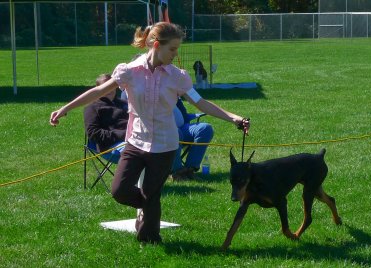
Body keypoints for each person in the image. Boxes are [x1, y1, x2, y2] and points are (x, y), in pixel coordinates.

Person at [49, 22, 250, 245]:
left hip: (165, 146)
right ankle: (148, 210)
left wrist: (234, 117)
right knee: (120, 191)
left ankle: (150, 240)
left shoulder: (178, 77)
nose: (176, 54)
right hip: (135, 142)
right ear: (156, 45)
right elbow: (98, 91)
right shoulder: (129, 71)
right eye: (172, 49)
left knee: (151, 194)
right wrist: (65, 108)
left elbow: (201, 103)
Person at [171, 98, 213, 180]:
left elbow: (183, 112)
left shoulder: (173, 88)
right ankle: (177, 172)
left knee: (205, 128)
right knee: (175, 132)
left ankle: (190, 169)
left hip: (182, 127)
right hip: (161, 132)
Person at [84, 74, 128, 153]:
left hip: (134, 140)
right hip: (109, 146)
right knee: (137, 152)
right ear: (98, 89)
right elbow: (93, 133)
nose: (109, 90)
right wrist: (122, 135)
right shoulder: (92, 108)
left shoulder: (124, 103)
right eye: (105, 88)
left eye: (110, 87)